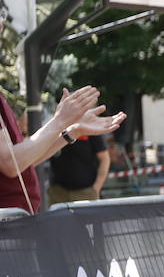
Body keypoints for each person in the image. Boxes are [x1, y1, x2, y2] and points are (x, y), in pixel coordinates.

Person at [1, 86, 125, 214]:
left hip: (82, 193)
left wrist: (73, 131)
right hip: (50, 196)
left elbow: (24, 160)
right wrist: (60, 121)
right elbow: (10, 163)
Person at [47, 129, 110, 205]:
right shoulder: (54, 128)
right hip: (58, 192)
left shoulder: (88, 129)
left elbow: (105, 159)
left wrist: (96, 188)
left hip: (85, 192)